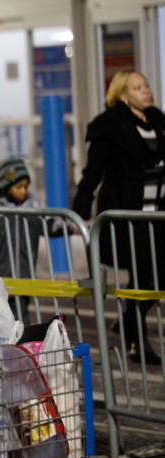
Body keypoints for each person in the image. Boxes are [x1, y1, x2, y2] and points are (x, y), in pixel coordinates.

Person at [73, 69, 165, 365]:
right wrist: (79, 213)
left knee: (158, 278)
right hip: (129, 218)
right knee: (142, 279)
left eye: (146, 85)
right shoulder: (110, 127)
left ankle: (126, 322)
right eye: (137, 87)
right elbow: (92, 173)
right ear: (123, 95)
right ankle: (139, 342)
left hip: (159, 217)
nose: (145, 91)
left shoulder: (159, 122)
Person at [0, 158, 66, 327]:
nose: (23, 191)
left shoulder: (34, 206)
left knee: (21, 322)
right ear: (6, 186)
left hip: (23, 280)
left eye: (26, 186)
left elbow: (51, 224)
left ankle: (21, 351)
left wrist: (72, 225)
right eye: (18, 187)